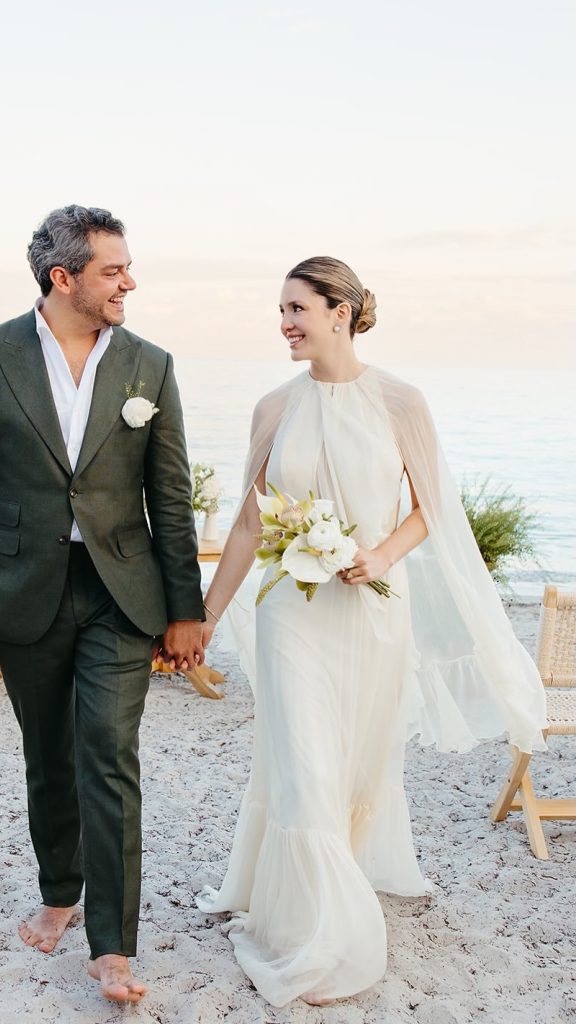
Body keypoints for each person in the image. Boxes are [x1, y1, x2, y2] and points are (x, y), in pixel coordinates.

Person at [197, 257, 547, 1007]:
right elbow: (251, 523)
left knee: (353, 761)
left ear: (342, 311)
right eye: (281, 310)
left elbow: (432, 506)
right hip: (290, 609)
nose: (285, 323)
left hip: (373, 611)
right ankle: (317, 930)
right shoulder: (270, 408)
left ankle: (337, 876)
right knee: (304, 762)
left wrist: (379, 554)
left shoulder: (401, 401)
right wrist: (209, 614)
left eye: (297, 308)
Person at [0, 206, 205, 1005]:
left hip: (123, 592)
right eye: (113, 270)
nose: (129, 282)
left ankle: (111, 947)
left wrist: (185, 608)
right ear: (64, 277)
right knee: (48, 753)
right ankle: (59, 891)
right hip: (23, 589)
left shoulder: (151, 365)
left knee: (108, 758)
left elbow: (171, 498)